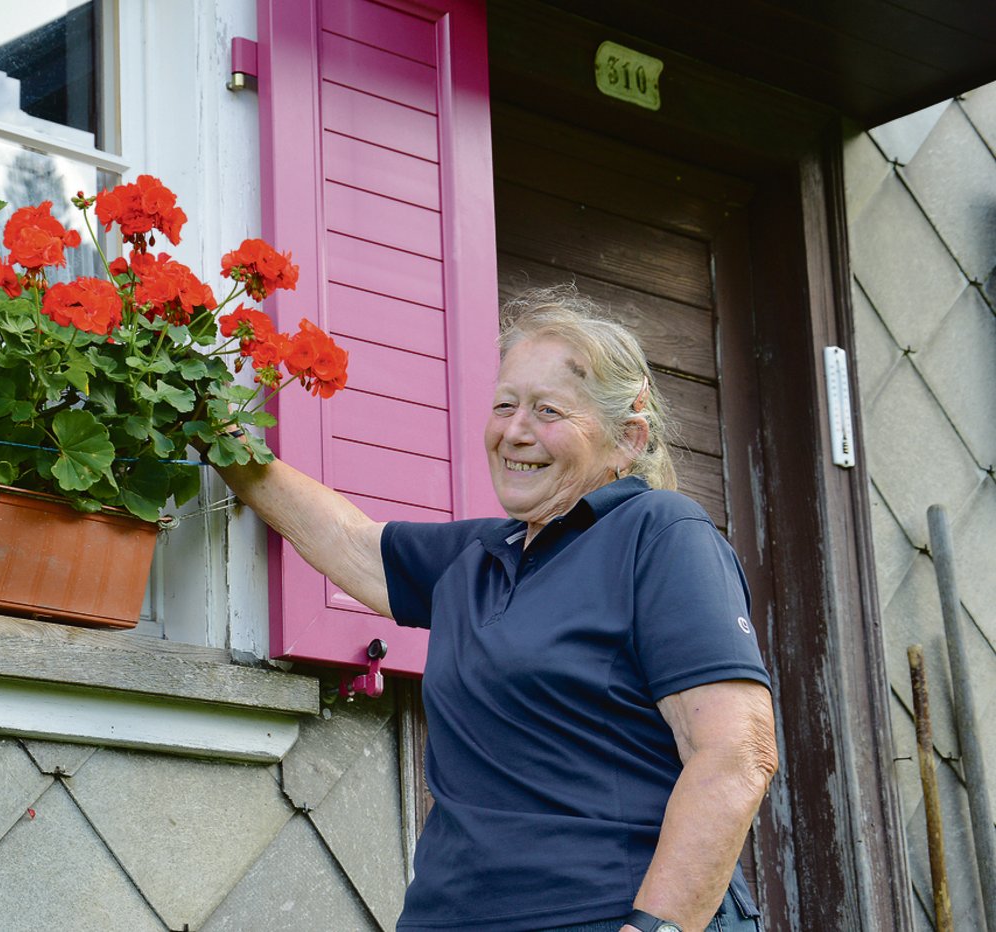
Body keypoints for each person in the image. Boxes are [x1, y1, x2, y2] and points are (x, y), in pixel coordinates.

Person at [213, 285, 777, 932]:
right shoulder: (479, 555)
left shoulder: (659, 533)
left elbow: (737, 755)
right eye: (505, 406)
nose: (514, 431)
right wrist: (217, 435)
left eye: (547, 411)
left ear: (627, 439)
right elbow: (350, 542)